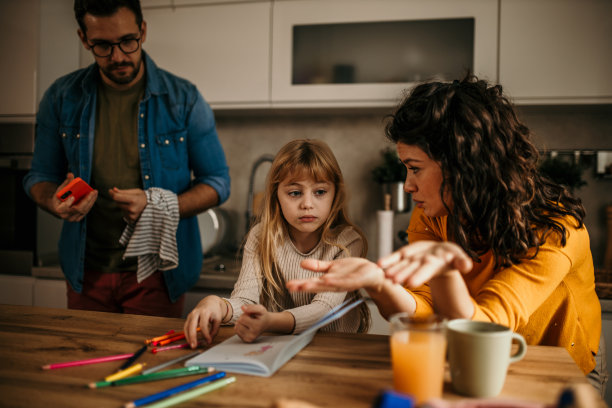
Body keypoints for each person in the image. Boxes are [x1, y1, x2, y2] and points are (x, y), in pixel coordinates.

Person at [287, 75, 607, 395]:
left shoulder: (554, 229)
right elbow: (426, 311)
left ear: (462, 166)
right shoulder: (433, 213)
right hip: (477, 360)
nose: (408, 185)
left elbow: (482, 331)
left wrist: (445, 271)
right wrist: (379, 283)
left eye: (414, 168)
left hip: (559, 367)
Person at [23, 0, 230, 318]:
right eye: (102, 46)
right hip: (85, 273)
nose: (118, 56)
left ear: (143, 31)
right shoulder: (61, 97)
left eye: (127, 41)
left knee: (149, 366)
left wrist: (157, 205)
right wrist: (55, 201)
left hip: (158, 275)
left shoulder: (183, 99)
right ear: (83, 39)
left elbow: (218, 182)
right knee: (85, 367)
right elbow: (38, 177)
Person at [184, 139, 370, 346]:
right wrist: (218, 305)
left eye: (320, 192)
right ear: (276, 196)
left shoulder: (347, 241)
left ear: (335, 195)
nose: (307, 204)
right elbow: (245, 301)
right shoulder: (260, 236)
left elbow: (324, 309)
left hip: (336, 347)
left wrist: (270, 321)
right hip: (282, 347)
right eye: (295, 193)